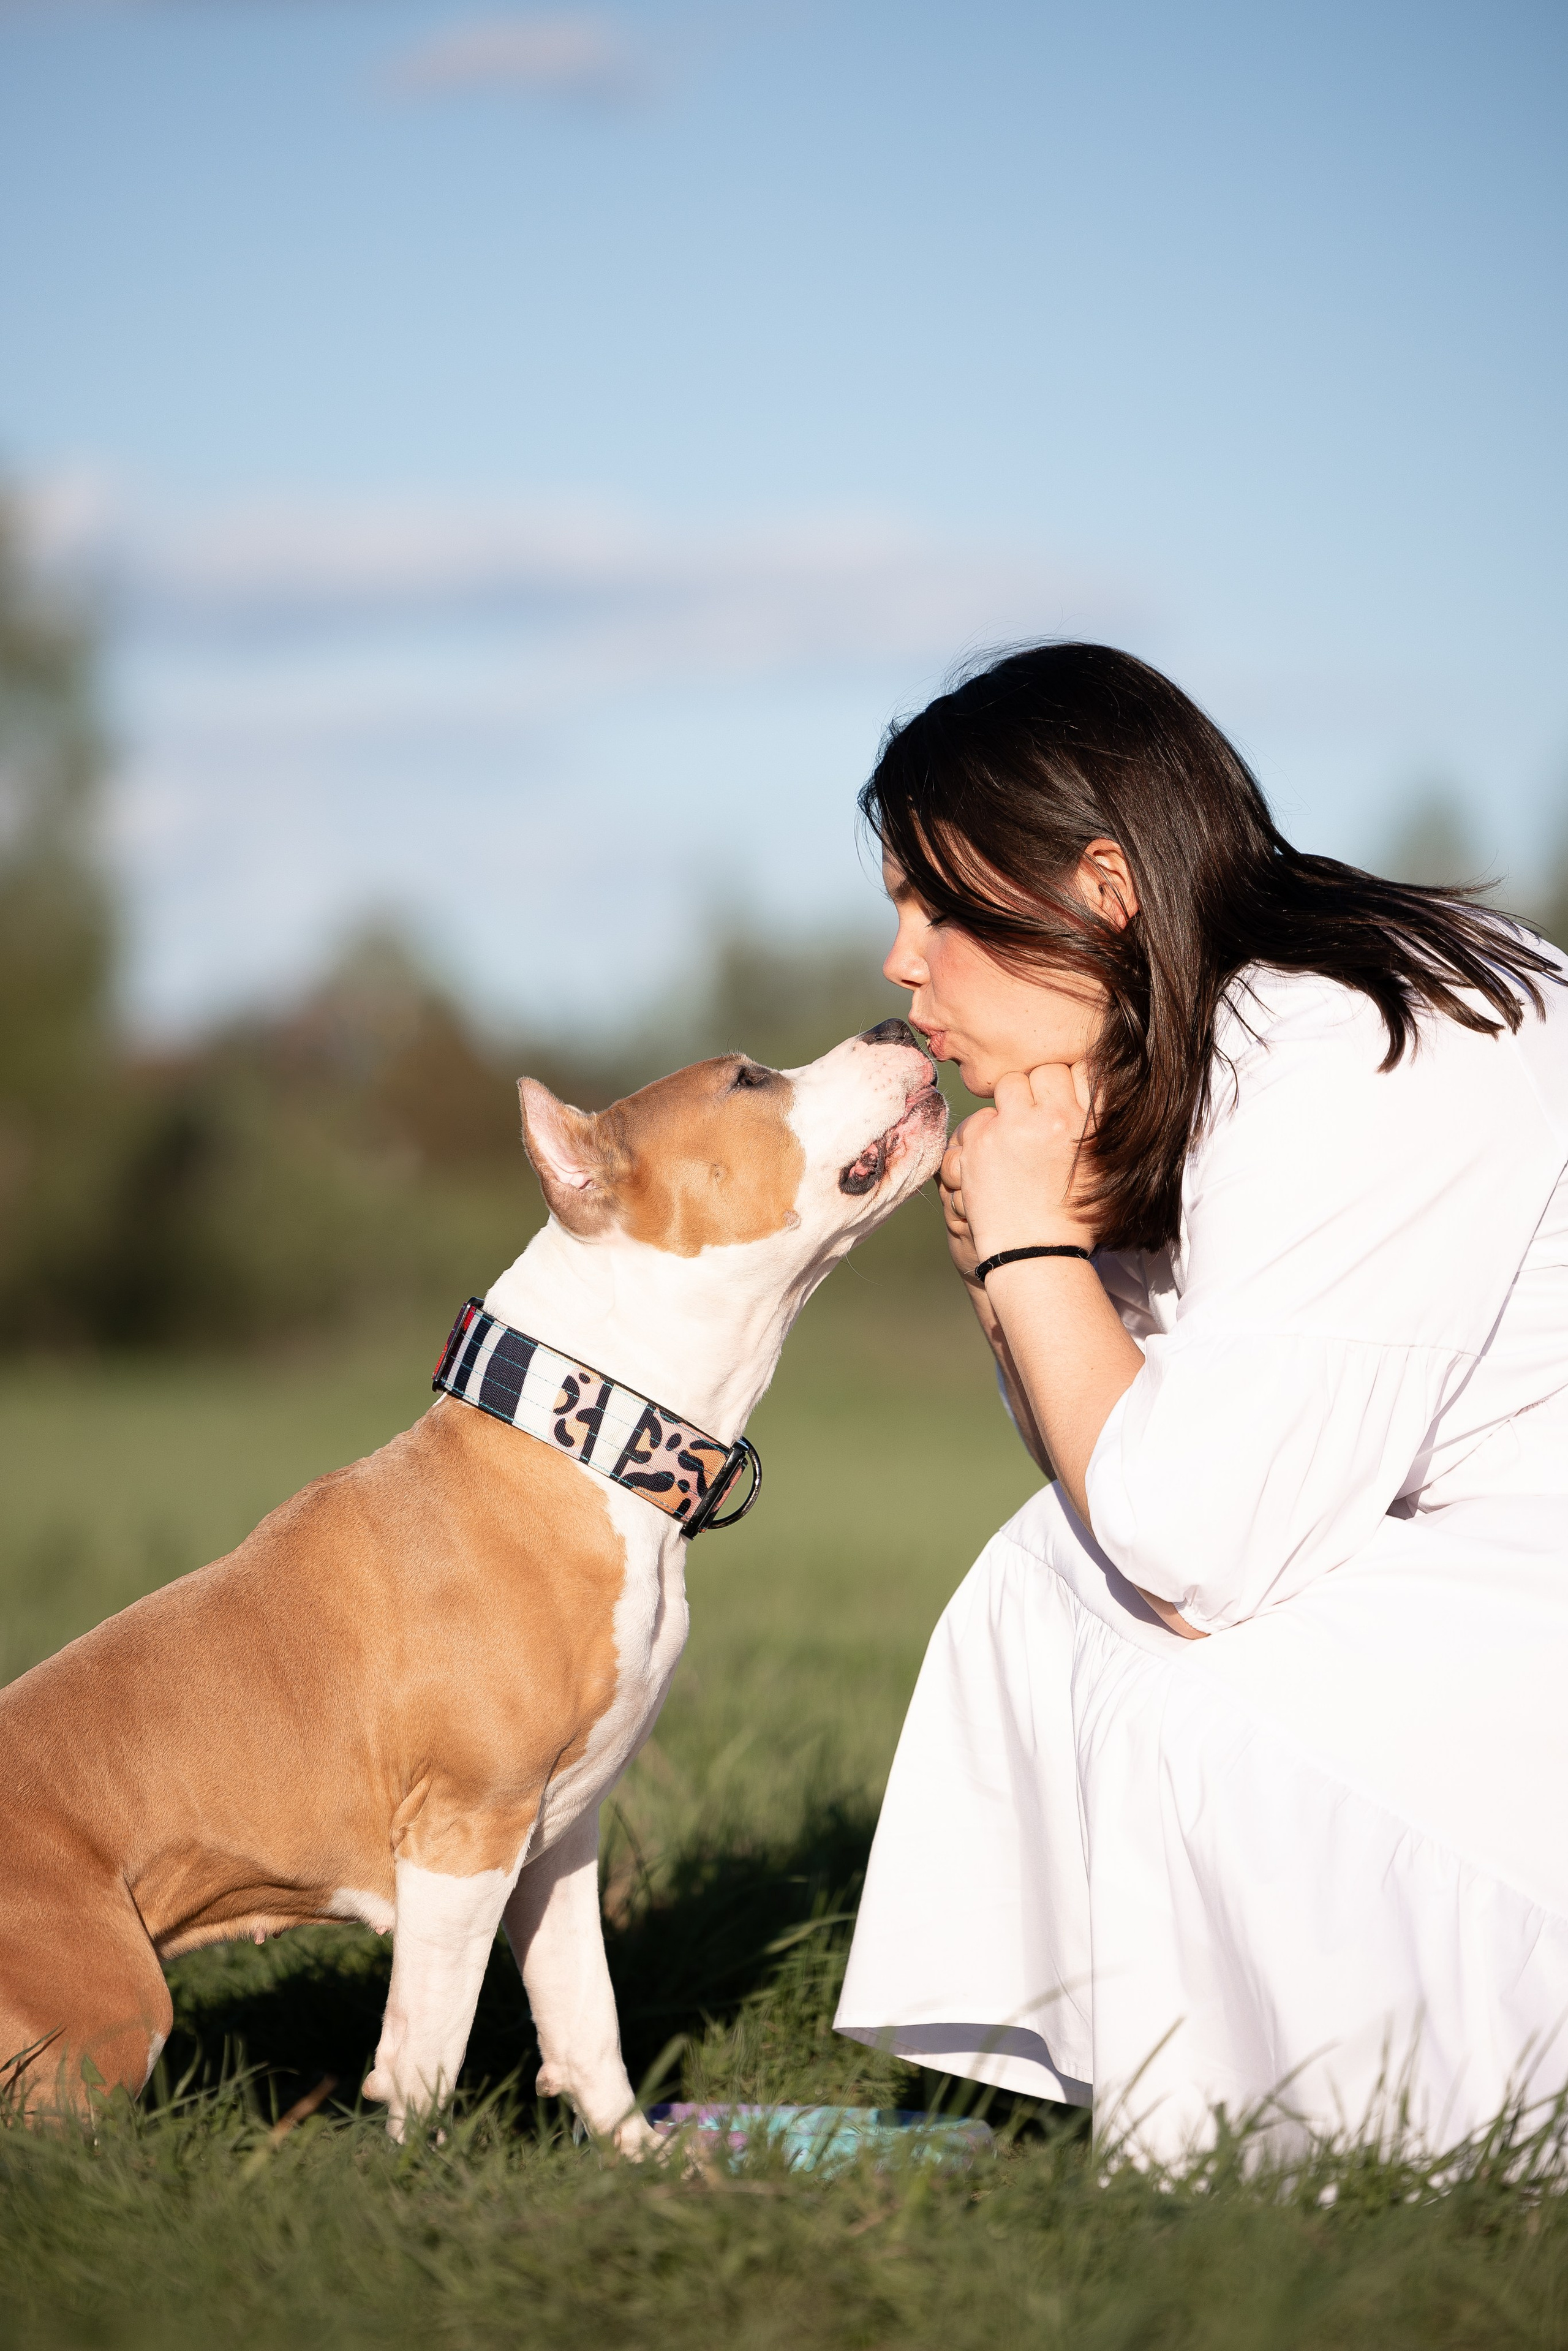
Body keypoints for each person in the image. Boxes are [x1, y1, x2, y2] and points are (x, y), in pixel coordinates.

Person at [834, 643, 1568, 2164]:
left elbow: (1194, 1544)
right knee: (1042, 1578)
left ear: (1100, 885)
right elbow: (1123, 1472)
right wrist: (1028, 1257)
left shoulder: (1353, 1036)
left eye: (939, 905)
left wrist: (1034, 1241)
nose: (902, 963)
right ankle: (1119, 2115)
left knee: (1180, 1673)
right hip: (1493, 1604)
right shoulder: (1220, 1044)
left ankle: (1295, 2142)